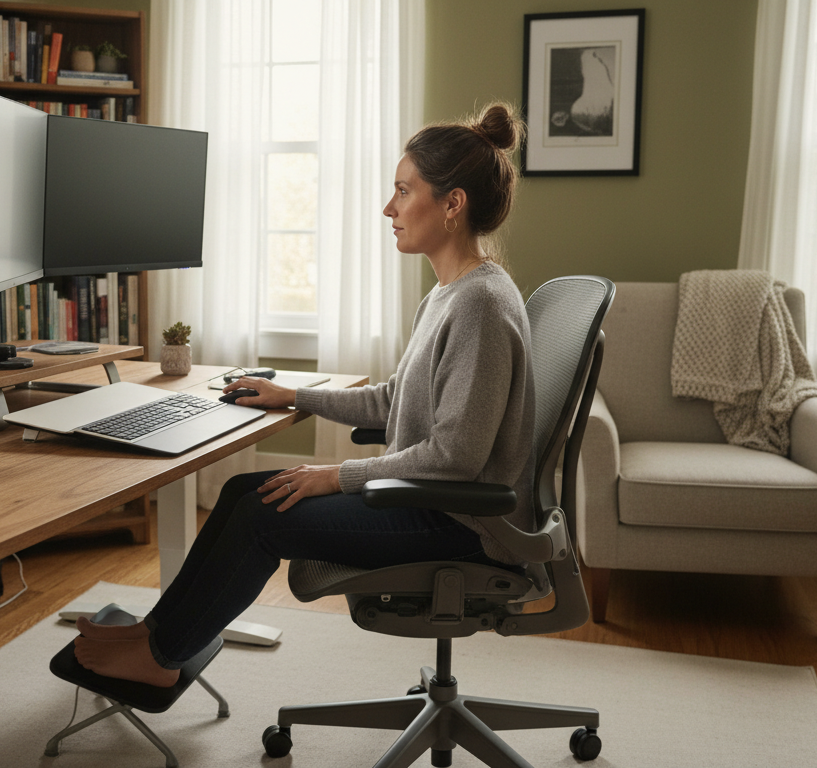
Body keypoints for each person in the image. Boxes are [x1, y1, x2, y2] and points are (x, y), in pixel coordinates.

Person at [73, 102, 535, 688]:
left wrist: (336, 474)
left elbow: (457, 459)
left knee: (262, 516)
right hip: (428, 501)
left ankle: (161, 660)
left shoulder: (480, 306)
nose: (388, 208)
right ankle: (156, 634)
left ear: (451, 204)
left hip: (462, 527)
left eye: (402, 190)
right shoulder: (449, 293)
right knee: (246, 490)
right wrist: (292, 395)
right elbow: (396, 400)